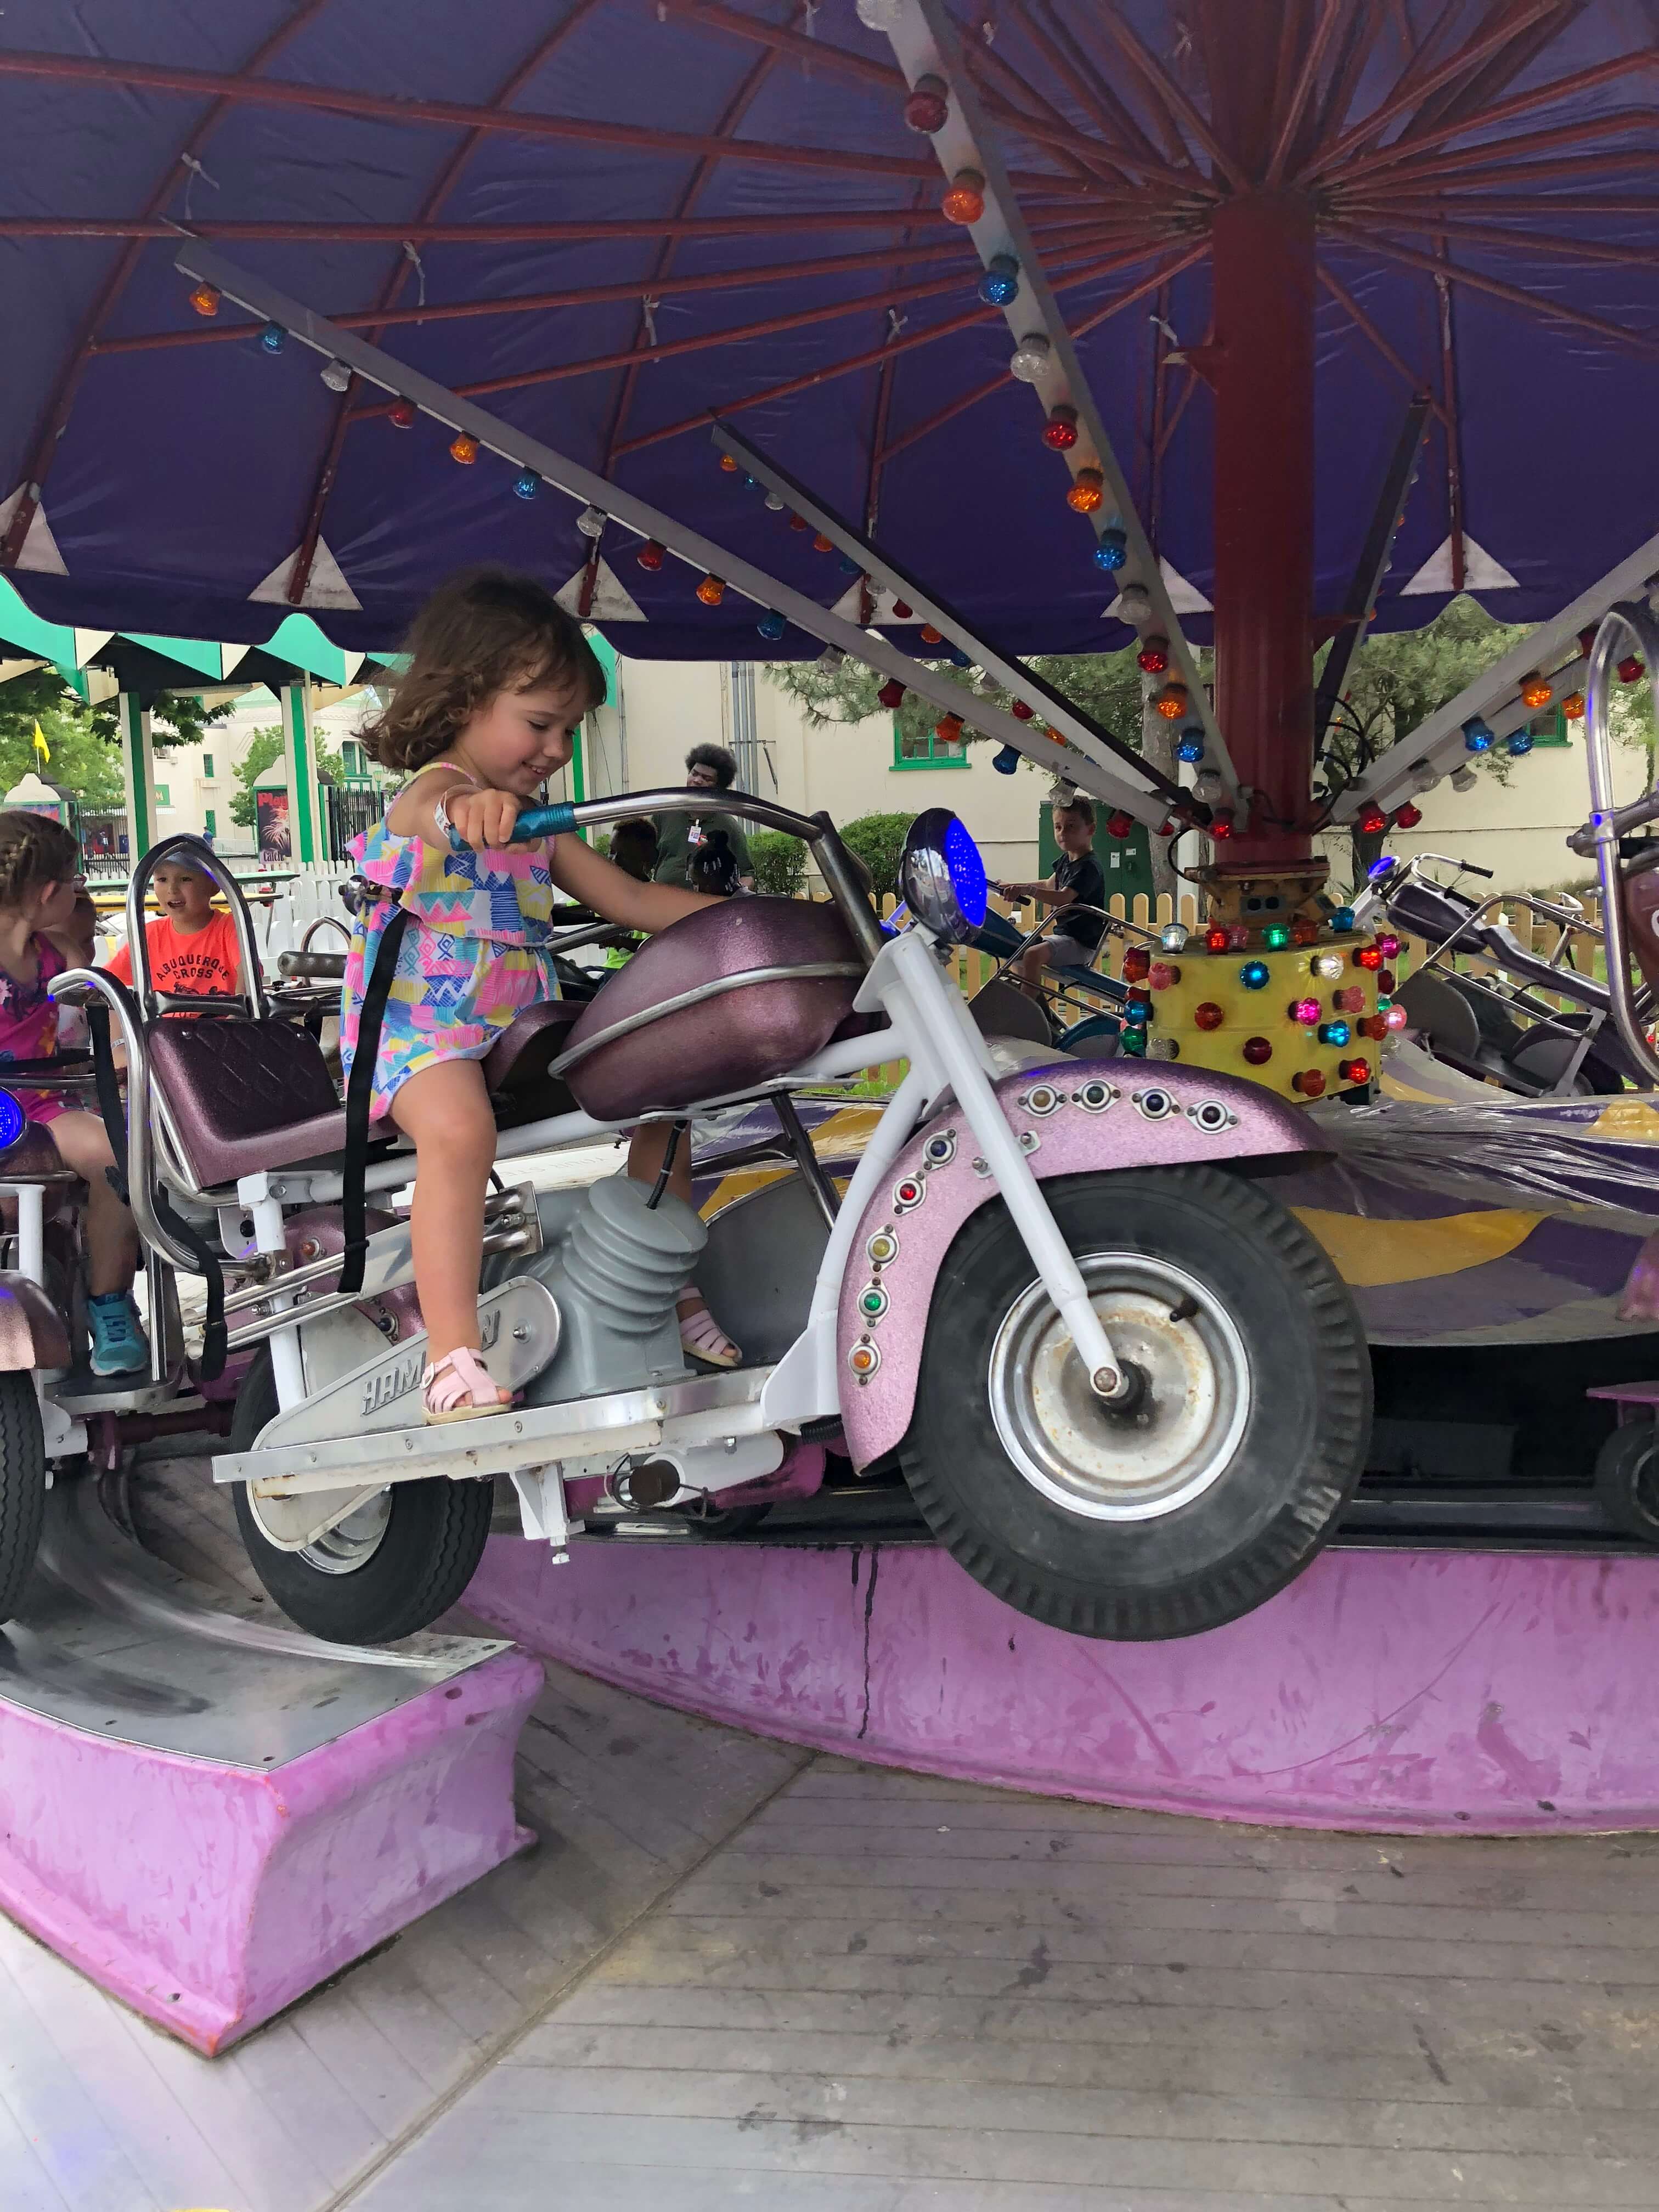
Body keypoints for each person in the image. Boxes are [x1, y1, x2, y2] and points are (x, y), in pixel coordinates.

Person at [342, 566, 741, 1424]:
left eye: (569, 728)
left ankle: (658, 1277)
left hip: (517, 1032)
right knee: (460, 1132)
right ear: (462, 700)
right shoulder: (441, 793)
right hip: (422, 1034)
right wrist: (468, 811)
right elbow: (431, 813)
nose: (557, 747)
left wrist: (754, 925)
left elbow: (635, 901)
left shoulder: (534, 824)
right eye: (539, 723)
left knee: (666, 1086)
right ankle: (451, 1359)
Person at [0, 813, 146, 1375]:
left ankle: (109, 1304)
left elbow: (90, 1010)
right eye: (78, 883)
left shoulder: (57, 954)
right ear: (50, 892)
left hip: (40, 1103)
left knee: (121, 1151)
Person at [996, 794, 1108, 1000]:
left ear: (1090, 830)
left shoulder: (1088, 867)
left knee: (1032, 955)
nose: (1063, 833)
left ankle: (1027, 1008)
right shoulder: (1068, 860)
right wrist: (1016, 886)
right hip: (1065, 936)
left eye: (1071, 827)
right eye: (1058, 827)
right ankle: (1032, 999)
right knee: (1016, 946)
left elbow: (1063, 898)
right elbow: (1049, 885)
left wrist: (1028, 891)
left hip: (1081, 943)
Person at [106, 854, 245, 1002]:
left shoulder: (229, 927)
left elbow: (247, 974)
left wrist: (237, 1015)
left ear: (214, 886)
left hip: (224, 1024)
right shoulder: (149, 935)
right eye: (162, 880)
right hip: (166, 1024)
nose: (172, 890)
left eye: (186, 879)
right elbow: (106, 980)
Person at [652, 743, 755, 890]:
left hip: (706, 910)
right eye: (694, 774)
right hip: (662, 905)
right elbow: (643, 860)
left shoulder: (729, 827)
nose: (698, 780)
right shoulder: (664, 815)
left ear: (719, 787)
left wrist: (732, 898)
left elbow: (747, 875)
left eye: (707, 778)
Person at [606, 817, 659, 885]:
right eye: (612, 852)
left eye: (624, 854)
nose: (615, 859)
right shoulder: (603, 890)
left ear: (645, 856)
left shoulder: (654, 894)